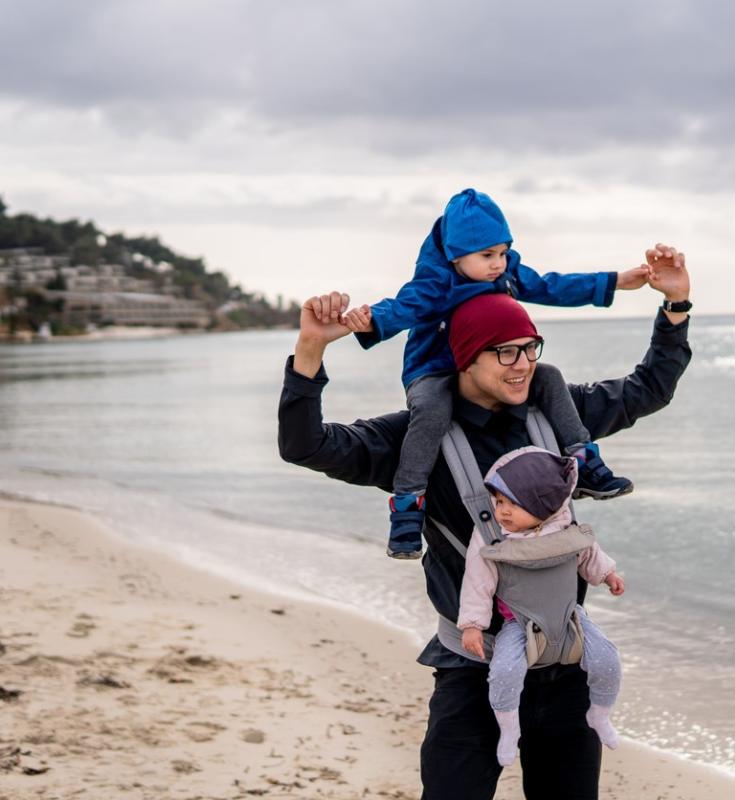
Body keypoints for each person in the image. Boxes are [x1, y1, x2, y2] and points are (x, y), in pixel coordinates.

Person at [278, 243, 690, 800]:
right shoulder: (411, 440)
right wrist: (310, 350)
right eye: (504, 353)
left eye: (529, 348)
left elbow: (649, 389)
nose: (523, 364)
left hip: (564, 668)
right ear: (464, 358)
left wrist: (676, 308)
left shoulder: (557, 413)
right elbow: (305, 446)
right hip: (471, 673)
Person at [340, 188, 649, 559]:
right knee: (432, 412)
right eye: (487, 255)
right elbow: (399, 308)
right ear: (455, 255)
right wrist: (368, 319)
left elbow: (551, 286)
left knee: (548, 375)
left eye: (503, 252)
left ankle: (584, 460)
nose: (498, 264)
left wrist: (614, 281)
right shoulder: (436, 282)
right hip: (435, 371)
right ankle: (408, 505)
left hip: (491, 368)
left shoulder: (506, 272)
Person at [458, 445, 625, 767]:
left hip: (570, 617)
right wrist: (472, 625)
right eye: (499, 502)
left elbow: (589, 553)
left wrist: (608, 575)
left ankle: (600, 714)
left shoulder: (565, 528)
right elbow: (477, 580)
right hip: (519, 623)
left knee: (607, 659)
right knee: (504, 671)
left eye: (513, 504)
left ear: (543, 504)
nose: (502, 511)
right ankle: (509, 730)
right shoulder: (493, 538)